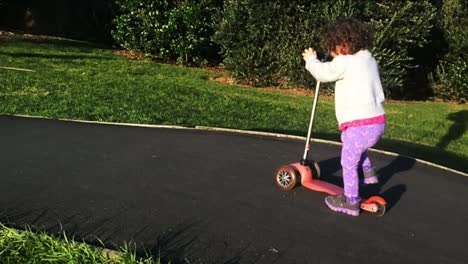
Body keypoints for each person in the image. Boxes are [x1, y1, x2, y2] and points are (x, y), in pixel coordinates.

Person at [302, 17, 386, 216]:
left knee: (348, 162)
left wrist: (310, 60)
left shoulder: (345, 62)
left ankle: (351, 201)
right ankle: (368, 172)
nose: (331, 54)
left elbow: (323, 73)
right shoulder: (368, 58)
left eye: (333, 49)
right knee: (355, 145)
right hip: (377, 122)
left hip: (358, 124)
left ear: (342, 45)